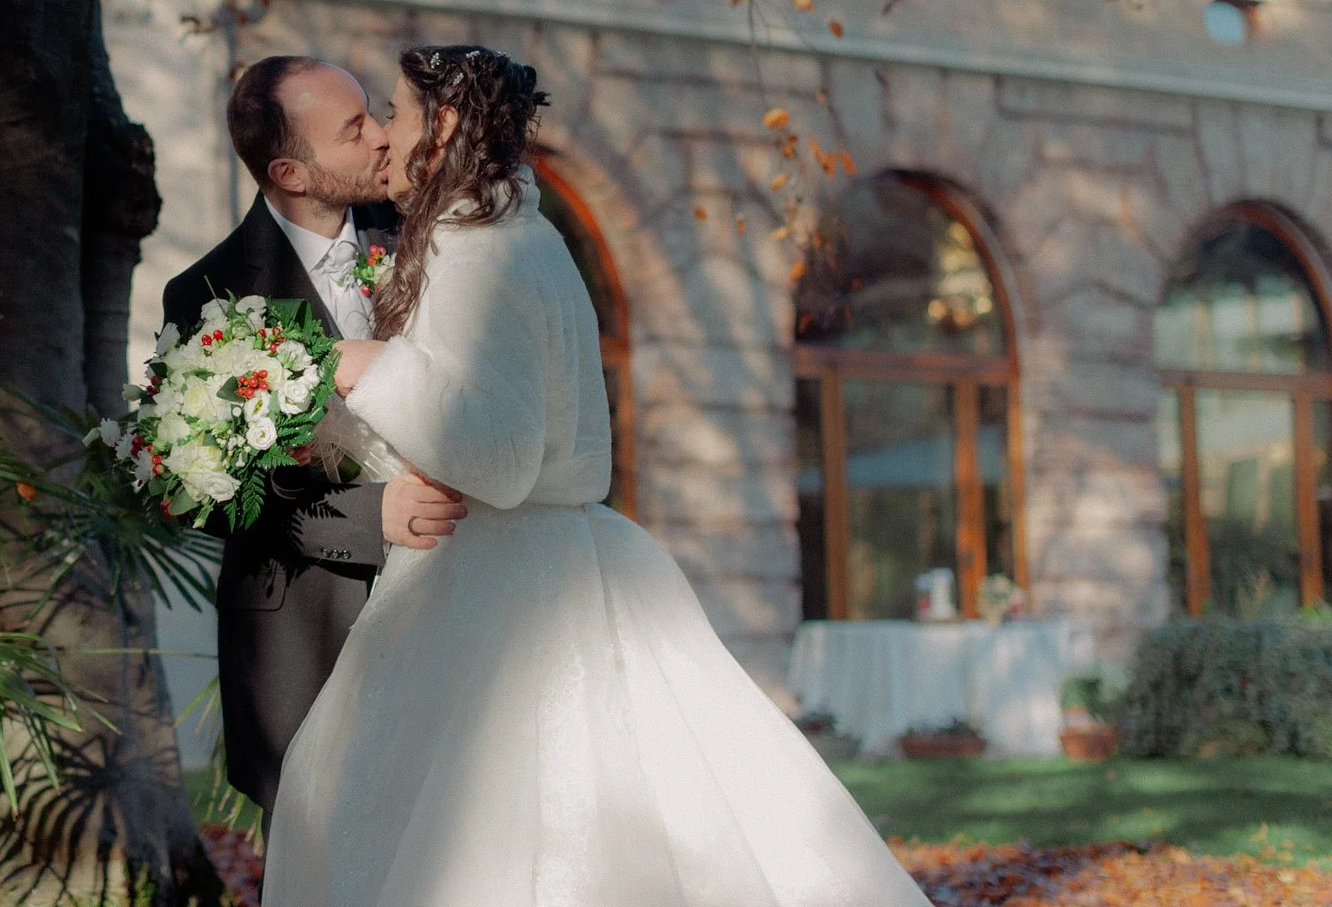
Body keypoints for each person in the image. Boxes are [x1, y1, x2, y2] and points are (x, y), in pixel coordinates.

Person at [263, 45, 928, 907]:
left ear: (449, 126)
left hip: (502, 593)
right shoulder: (516, 233)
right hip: (553, 566)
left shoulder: (480, 250)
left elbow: (500, 459)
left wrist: (365, 369)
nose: (386, 137)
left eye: (396, 112)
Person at [160, 55, 472, 824]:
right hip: (298, 634)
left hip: (453, 595)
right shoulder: (207, 293)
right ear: (290, 171)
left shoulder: (430, 244)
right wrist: (372, 518)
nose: (380, 138)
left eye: (372, 113)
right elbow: (207, 494)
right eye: (353, 128)